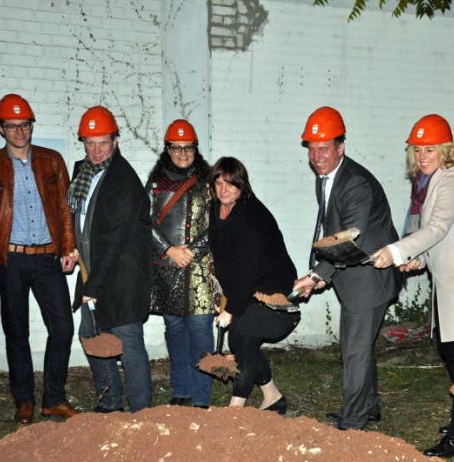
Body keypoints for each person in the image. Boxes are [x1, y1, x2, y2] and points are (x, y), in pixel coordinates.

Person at [372, 114, 454, 457]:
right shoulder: (427, 183)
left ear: (446, 150)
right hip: (452, 280)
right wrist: (419, 260)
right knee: (450, 349)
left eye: (429, 149)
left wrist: (396, 250)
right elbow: (438, 239)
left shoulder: (450, 180)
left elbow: (438, 228)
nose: (422, 156)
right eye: (417, 150)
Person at [0, 94, 77, 424]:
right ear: (1, 129)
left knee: (63, 327)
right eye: (12, 126)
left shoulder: (52, 160)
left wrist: (69, 248)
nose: (19, 131)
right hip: (11, 260)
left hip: (47, 257)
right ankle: (24, 401)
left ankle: (54, 399)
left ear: (32, 126)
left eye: (25, 125)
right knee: (17, 333)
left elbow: (64, 209)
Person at [294, 106, 401, 430]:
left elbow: (348, 240)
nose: (316, 156)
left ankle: (353, 422)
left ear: (341, 147)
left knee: (353, 351)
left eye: (324, 148)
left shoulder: (355, 184)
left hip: (369, 279)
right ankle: (368, 407)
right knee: (359, 346)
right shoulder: (328, 177)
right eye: (311, 148)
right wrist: (322, 272)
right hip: (354, 276)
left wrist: (317, 275)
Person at [68, 106, 152, 412]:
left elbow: (115, 239)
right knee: (91, 336)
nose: (96, 149)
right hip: (92, 271)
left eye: (102, 142)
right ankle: (108, 405)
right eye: (90, 142)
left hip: (122, 277)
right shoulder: (82, 172)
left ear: (115, 141)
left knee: (127, 342)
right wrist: (70, 250)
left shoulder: (123, 180)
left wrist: (94, 286)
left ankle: (141, 412)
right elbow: (78, 220)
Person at [209, 157, 299, 414]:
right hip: (248, 293)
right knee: (241, 343)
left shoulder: (250, 217)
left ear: (242, 186)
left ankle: (235, 411)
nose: (224, 189)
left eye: (230, 183)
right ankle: (273, 396)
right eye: (218, 182)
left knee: (241, 341)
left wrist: (230, 308)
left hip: (274, 297)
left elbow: (247, 269)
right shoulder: (218, 209)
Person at [146, 119, 221, 408]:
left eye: (187, 147)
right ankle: (181, 391)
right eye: (176, 148)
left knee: (201, 332)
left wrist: (192, 250)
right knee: (175, 331)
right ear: (167, 149)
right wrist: (168, 249)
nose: (182, 153)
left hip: (200, 270)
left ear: (195, 148)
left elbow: (219, 220)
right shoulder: (155, 183)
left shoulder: (209, 180)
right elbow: (144, 221)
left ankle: (201, 398)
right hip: (167, 270)